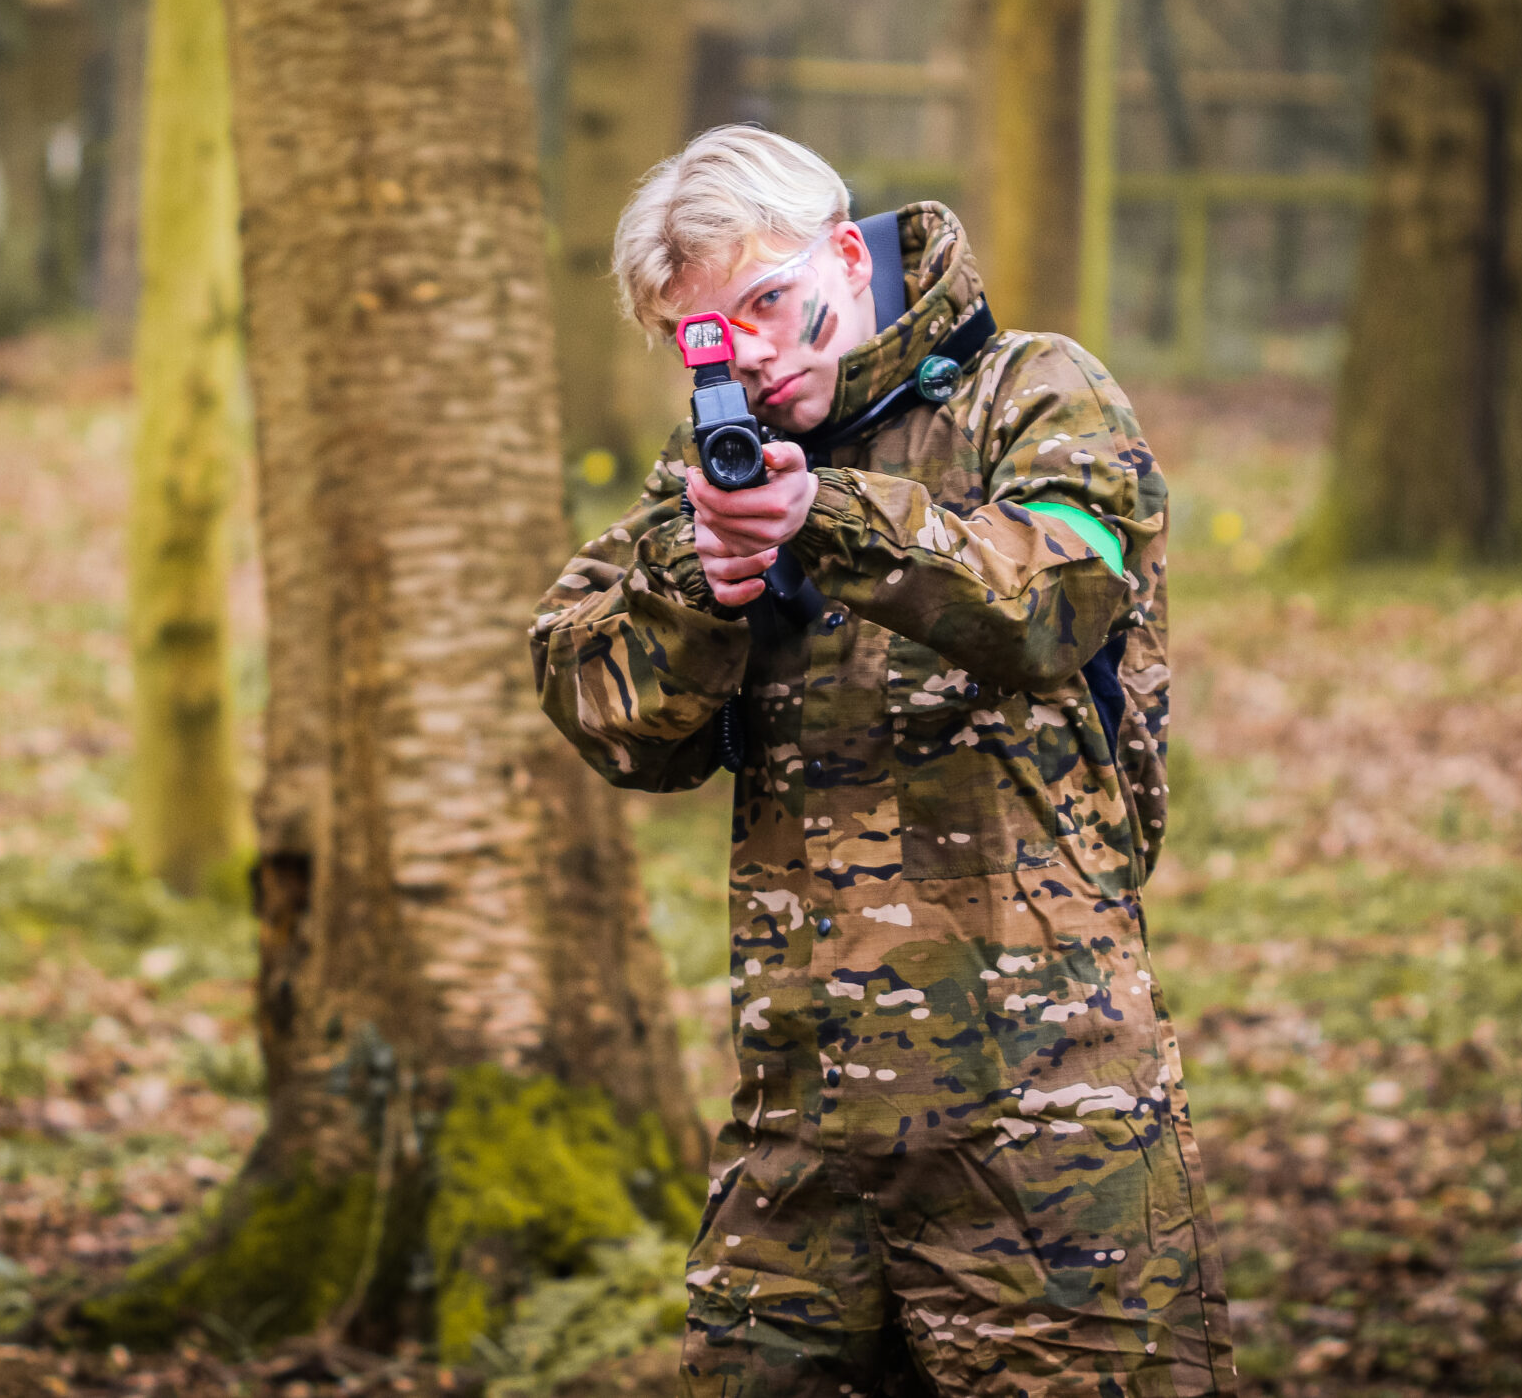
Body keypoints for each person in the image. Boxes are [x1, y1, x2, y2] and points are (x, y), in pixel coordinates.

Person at [530, 127, 1237, 1397]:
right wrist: (704, 584)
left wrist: (830, 519)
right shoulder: (711, 483)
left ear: (847, 258)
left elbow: (1052, 600)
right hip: (799, 1130)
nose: (747, 350)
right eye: (708, 333)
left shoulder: (1034, 394)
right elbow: (595, 696)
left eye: (766, 302)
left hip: (1041, 1113)